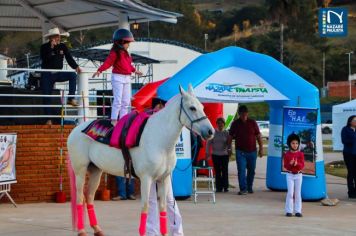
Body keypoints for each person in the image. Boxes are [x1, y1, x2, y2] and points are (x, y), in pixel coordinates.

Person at [146, 97, 184, 236]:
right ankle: (152, 232)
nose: (159, 109)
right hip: (150, 165)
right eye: (156, 107)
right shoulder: (149, 123)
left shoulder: (169, 124)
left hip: (165, 166)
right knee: (151, 200)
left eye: (161, 107)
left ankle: (177, 232)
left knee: (169, 199)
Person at [92, 28, 142, 125]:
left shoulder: (127, 53)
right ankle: (114, 120)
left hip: (127, 78)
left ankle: (122, 120)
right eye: (127, 42)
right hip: (118, 77)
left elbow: (128, 65)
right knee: (118, 100)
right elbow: (108, 62)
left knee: (126, 102)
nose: (128, 45)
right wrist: (100, 70)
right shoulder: (115, 52)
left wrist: (135, 71)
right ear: (121, 42)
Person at [40, 27, 82, 125]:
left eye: (59, 36)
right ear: (51, 38)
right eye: (56, 37)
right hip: (47, 74)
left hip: (58, 73)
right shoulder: (44, 47)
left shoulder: (63, 46)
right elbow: (44, 59)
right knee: (47, 96)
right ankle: (48, 119)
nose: (58, 38)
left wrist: (76, 66)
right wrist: (51, 48)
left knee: (72, 75)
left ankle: (71, 98)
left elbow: (69, 58)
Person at [228, 105, 263, 195]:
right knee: (241, 170)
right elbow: (230, 137)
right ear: (239, 114)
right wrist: (229, 148)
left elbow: (258, 136)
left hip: (252, 151)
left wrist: (261, 149)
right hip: (240, 152)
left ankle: (249, 187)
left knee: (251, 171)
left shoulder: (253, 122)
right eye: (241, 114)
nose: (243, 115)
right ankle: (243, 189)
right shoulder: (235, 123)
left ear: (247, 113)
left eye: (245, 113)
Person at [206, 117, 231, 192]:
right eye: (219, 123)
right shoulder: (213, 132)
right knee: (217, 171)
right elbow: (208, 143)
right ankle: (218, 187)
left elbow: (229, 143)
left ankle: (225, 187)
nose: (220, 125)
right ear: (216, 124)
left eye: (222, 123)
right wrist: (207, 153)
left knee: (225, 171)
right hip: (215, 154)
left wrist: (230, 150)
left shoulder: (226, 132)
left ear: (224, 124)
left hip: (224, 154)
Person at [283, 133, 305, 217]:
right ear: (289, 144)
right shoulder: (287, 154)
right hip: (290, 175)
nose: (295, 145)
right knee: (290, 193)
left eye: (296, 143)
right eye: (293, 143)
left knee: (298, 193)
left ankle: (298, 211)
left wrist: (296, 164)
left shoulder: (300, 154)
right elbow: (286, 166)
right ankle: (289, 210)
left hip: (299, 175)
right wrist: (290, 164)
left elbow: (302, 165)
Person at [341, 115, 356, 199]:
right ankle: (351, 192)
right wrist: (354, 140)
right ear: (350, 121)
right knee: (351, 172)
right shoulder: (345, 129)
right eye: (355, 120)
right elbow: (344, 140)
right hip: (349, 154)